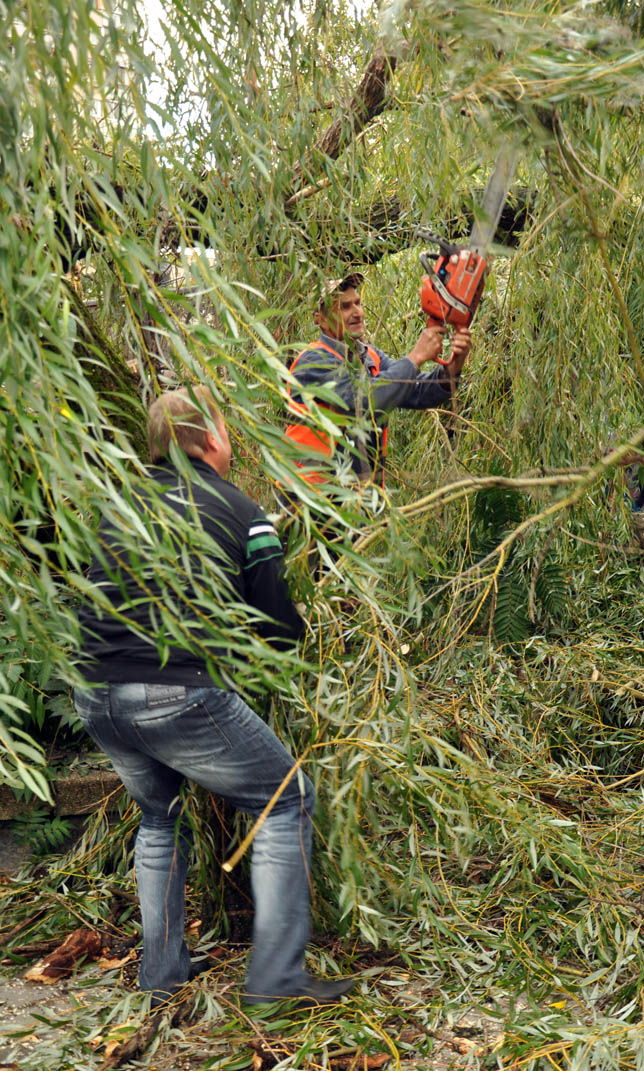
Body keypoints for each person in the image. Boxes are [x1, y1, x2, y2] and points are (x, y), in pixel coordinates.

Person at [73, 387, 353, 1009]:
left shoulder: (119, 509)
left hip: (94, 692)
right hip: (174, 692)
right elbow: (277, 631)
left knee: (158, 815)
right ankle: (277, 981)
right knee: (286, 799)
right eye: (227, 430)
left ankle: (162, 972)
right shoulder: (242, 512)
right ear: (211, 439)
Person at [285, 272, 472, 485]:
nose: (357, 313)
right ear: (320, 319)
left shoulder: (370, 357)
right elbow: (364, 400)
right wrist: (415, 358)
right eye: (345, 307)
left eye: (358, 303)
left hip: (360, 495)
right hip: (312, 497)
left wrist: (453, 366)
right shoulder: (313, 361)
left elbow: (417, 391)